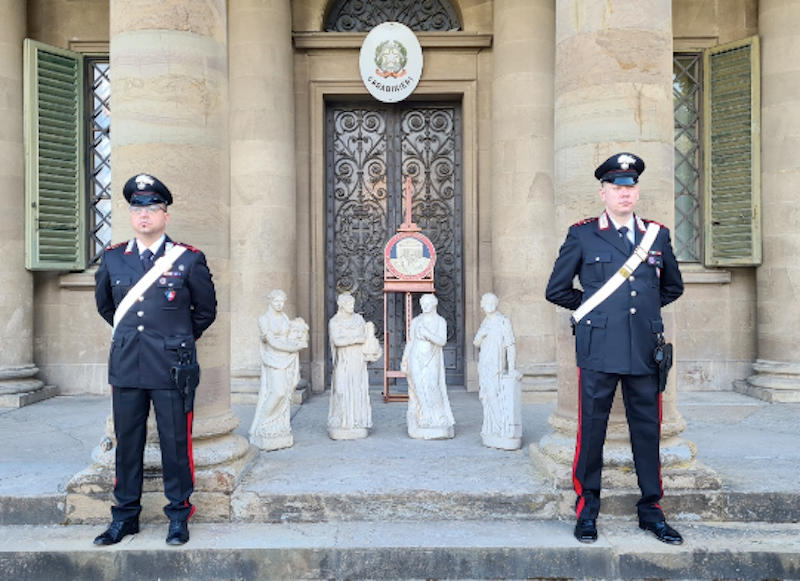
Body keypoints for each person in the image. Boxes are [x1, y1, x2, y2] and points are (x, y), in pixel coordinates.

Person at [545, 153, 684, 545]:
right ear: (603, 192)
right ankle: (587, 509)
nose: (625, 193)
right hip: (599, 348)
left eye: (631, 187)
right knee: (592, 430)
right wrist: (596, 313)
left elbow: (672, 287)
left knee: (648, 431)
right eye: (617, 187)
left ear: (637, 192)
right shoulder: (583, 235)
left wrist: (642, 317)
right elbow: (556, 290)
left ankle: (651, 510)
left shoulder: (657, 235)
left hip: (644, 349)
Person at [94, 173, 217, 546]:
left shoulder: (188, 259)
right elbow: (106, 307)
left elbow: (205, 311)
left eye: (152, 208)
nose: (143, 215)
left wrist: (175, 340)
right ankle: (125, 517)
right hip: (127, 364)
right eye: (137, 209)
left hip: (171, 367)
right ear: (131, 215)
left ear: (165, 215)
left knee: (175, 443)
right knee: (127, 443)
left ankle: (178, 515)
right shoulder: (113, 258)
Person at [249, 289, 308, 451]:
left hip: (286, 358)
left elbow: (291, 335)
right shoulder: (264, 319)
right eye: (277, 301)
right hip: (273, 358)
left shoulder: (284, 317)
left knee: (286, 392)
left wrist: (298, 338)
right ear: (270, 301)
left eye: (282, 302)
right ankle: (262, 423)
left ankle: (277, 427)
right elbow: (272, 342)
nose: (280, 304)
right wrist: (294, 348)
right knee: (278, 392)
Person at [328, 292, 380, 440]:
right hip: (344, 359)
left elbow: (367, 338)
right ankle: (342, 420)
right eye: (349, 304)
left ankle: (356, 421)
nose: (352, 306)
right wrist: (356, 339)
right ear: (342, 306)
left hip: (357, 359)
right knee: (341, 390)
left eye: (352, 304)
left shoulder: (359, 319)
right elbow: (337, 341)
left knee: (357, 388)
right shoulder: (335, 322)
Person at [473, 292, 522, 450]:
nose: (490, 305)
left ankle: (502, 426)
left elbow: (510, 345)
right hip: (484, 363)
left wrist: (511, 368)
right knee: (486, 395)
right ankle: (491, 428)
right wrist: (481, 334)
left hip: (497, 365)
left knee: (494, 393)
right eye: (486, 303)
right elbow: (476, 342)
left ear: (497, 303)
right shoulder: (485, 322)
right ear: (482, 306)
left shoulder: (503, 321)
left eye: (492, 302)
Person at [401, 294, 454, 439]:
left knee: (432, 385)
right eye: (422, 303)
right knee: (419, 387)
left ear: (434, 304)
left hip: (431, 357)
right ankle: (424, 415)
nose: (424, 306)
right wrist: (405, 359)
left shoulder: (440, 321)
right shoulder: (416, 321)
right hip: (416, 356)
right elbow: (411, 342)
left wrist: (427, 334)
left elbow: (442, 341)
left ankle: (439, 415)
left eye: (427, 303)